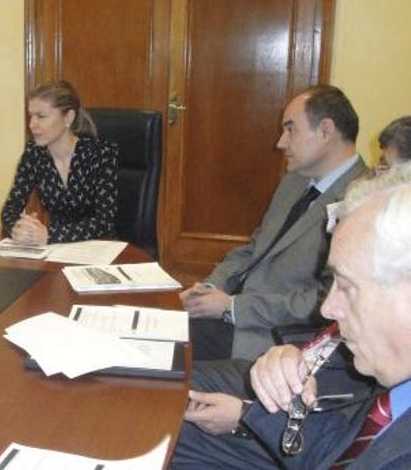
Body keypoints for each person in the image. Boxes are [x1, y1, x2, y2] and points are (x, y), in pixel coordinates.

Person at [171, 165, 411, 469]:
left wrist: (244, 417)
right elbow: (337, 450)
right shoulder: (391, 382)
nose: (327, 309)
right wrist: (285, 371)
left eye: (347, 287)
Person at [181, 85, 368, 361]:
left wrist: (233, 307)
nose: (280, 142)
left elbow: (320, 301)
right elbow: (255, 247)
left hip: (275, 336)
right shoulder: (294, 182)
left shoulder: (363, 201)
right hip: (235, 307)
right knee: (157, 326)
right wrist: (209, 288)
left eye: (291, 129)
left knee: (167, 347)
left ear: (326, 131)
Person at [0, 80, 118, 245]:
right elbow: (10, 208)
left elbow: (105, 220)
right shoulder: (34, 154)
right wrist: (19, 228)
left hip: (97, 247)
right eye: (30, 116)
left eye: (41, 116)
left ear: (68, 117)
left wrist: (50, 235)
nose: (32, 125)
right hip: (54, 249)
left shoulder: (100, 153)